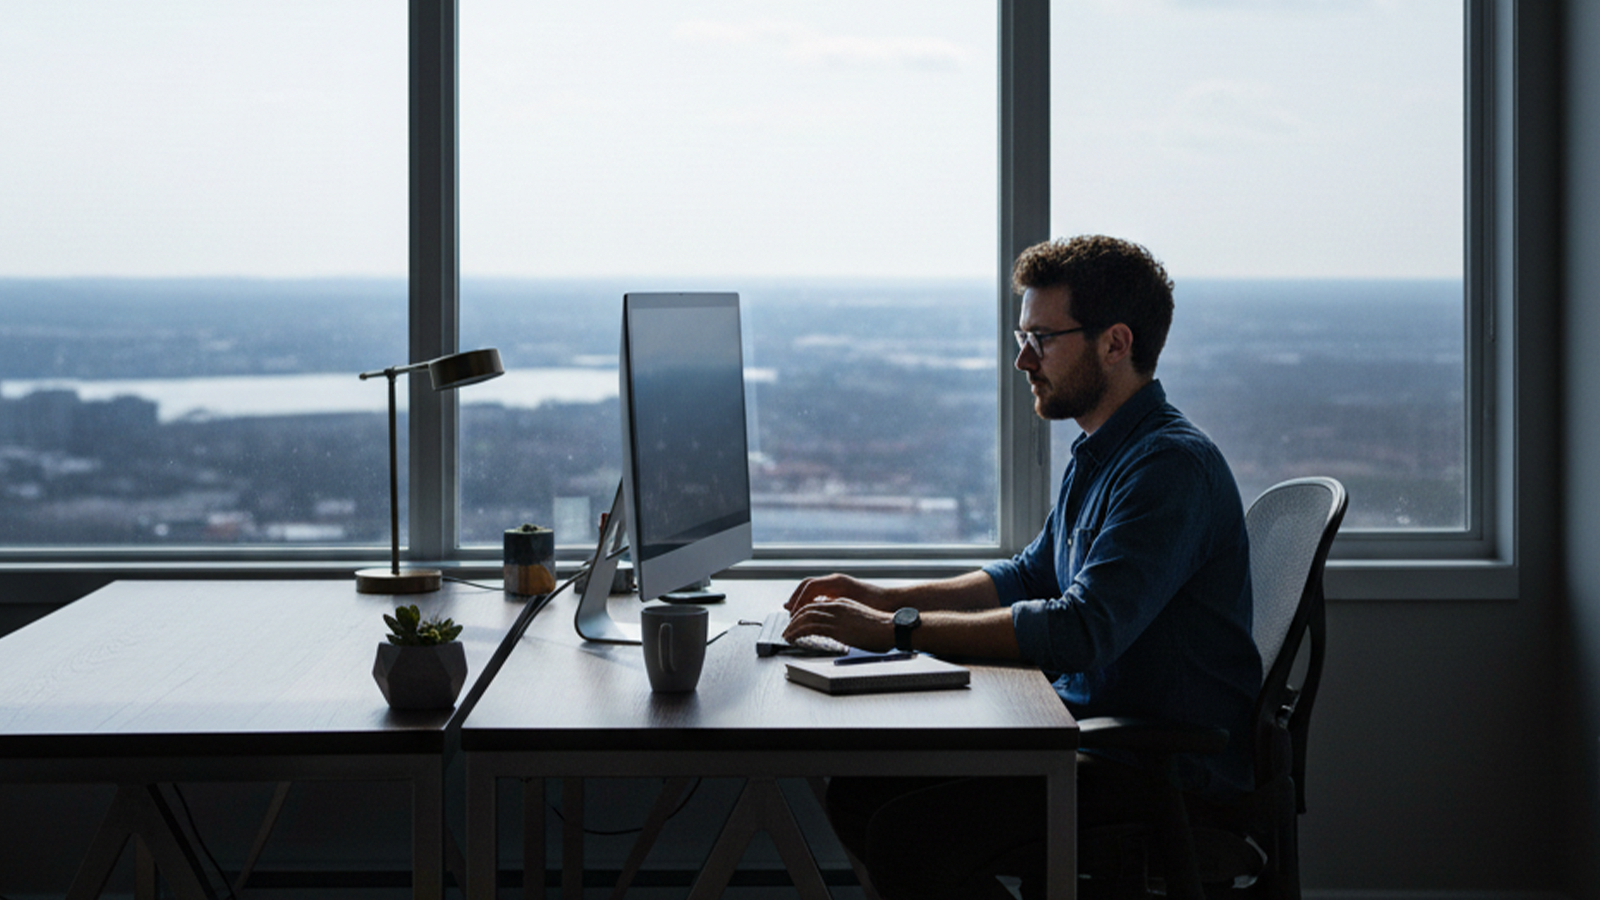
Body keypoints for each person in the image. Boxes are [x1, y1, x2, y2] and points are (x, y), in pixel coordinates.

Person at [783, 235, 1262, 900]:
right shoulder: (1102, 451)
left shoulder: (1168, 468)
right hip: (1093, 737)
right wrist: (880, 596)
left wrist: (896, 630)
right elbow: (1028, 576)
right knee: (862, 795)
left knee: (907, 834)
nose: (1021, 359)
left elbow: (1080, 631)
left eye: (1042, 337)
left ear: (1115, 343)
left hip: (1155, 766)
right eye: (1021, 334)